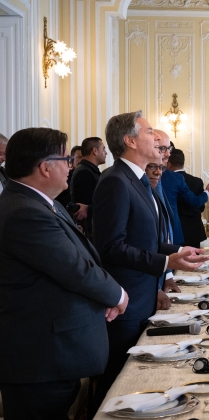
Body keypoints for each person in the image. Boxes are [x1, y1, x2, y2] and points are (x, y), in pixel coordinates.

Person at [0, 127, 127, 419]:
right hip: (38, 359)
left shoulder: (40, 202)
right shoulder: (24, 211)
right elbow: (74, 268)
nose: (71, 166)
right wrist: (116, 294)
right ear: (45, 168)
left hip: (49, 356)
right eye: (66, 160)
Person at [91, 111, 208, 410]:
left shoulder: (138, 179)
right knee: (118, 384)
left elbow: (145, 239)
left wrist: (178, 250)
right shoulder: (115, 181)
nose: (157, 137)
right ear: (130, 141)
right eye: (149, 131)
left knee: (139, 381)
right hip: (126, 299)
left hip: (144, 294)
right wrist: (165, 264)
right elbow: (112, 247)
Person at [155, 129, 209, 245]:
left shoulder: (143, 174)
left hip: (159, 233)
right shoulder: (179, 179)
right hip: (183, 231)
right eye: (164, 149)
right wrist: (207, 192)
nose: (167, 153)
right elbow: (196, 204)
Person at [167, 149, 209, 246]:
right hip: (194, 231)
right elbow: (200, 208)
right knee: (195, 260)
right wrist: (207, 192)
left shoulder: (165, 180)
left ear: (168, 164)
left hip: (175, 231)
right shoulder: (197, 181)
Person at [71, 137, 107, 237]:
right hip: (90, 231)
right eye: (103, 149)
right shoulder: (84, 173)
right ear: (95, 151)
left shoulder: (89, 171)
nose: (106, 153)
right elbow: (88, 205)